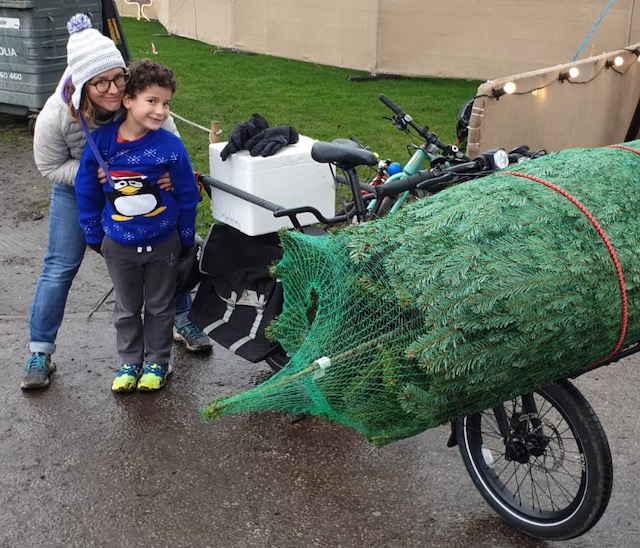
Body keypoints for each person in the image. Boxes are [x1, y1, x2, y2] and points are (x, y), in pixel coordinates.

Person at [21, 13, 210, 391]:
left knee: (165, 250)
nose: (112, 89)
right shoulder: (57, 116)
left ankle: (180, 319)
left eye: (118, 78)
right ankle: (40, 350)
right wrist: (97, 176)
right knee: (59, 265)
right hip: (77, 188)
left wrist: (164, 178)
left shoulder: (138, 100)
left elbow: (170, 144)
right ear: (81, 86)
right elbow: (49, 165)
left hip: (145, 189)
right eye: (100, 83)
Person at [75, 59, 199, 392]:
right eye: (152, 101)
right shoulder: (101, 143)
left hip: (163, 242)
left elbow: (187, 192)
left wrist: (185, 236)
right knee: (127, 308)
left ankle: (158, 363)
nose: (161, 111)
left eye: (167, 103)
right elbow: (86, 189)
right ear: (128, 99)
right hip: (118, 245)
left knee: (160, 306)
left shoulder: (170, 146)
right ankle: (129, 362)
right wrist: (93, 234)